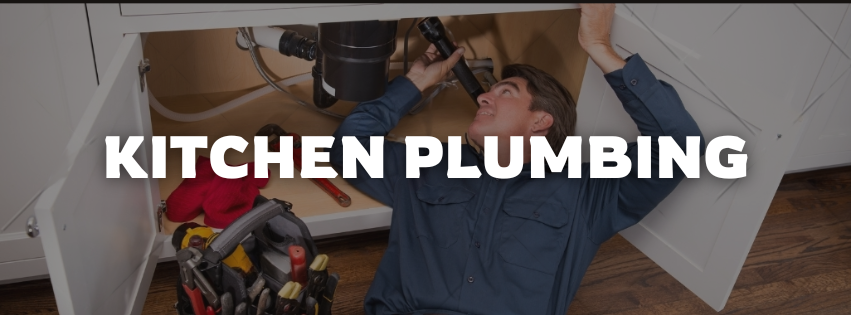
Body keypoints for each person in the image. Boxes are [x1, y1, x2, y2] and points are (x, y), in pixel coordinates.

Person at [329, 3, 704, 315]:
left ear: (541, 121)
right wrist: (412, 83)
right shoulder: (430, 164)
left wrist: (599, 46)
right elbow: (349, 148)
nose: (482, 98)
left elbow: (681, 146)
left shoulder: (588, 195)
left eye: (504, 92)